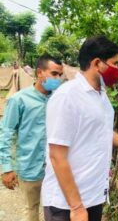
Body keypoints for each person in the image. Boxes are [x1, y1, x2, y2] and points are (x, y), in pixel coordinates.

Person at [42, 36, 118, 221]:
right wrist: (76, 207)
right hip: (67, 205)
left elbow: (100, 132)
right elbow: (56, 155)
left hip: (92, 197)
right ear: (97, 63)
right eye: (115, 63)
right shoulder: (67, 97)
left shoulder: (101, 95)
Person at [0, 54, 63, 221]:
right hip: (30, 166)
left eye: (60, 75)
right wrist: (6, 167)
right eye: (54, 74)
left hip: (56, 168)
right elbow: (6, 133)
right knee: (31, 210)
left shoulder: (60, 99)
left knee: (58, 211)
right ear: (40, 72)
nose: (58, 79)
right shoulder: (19, 100)